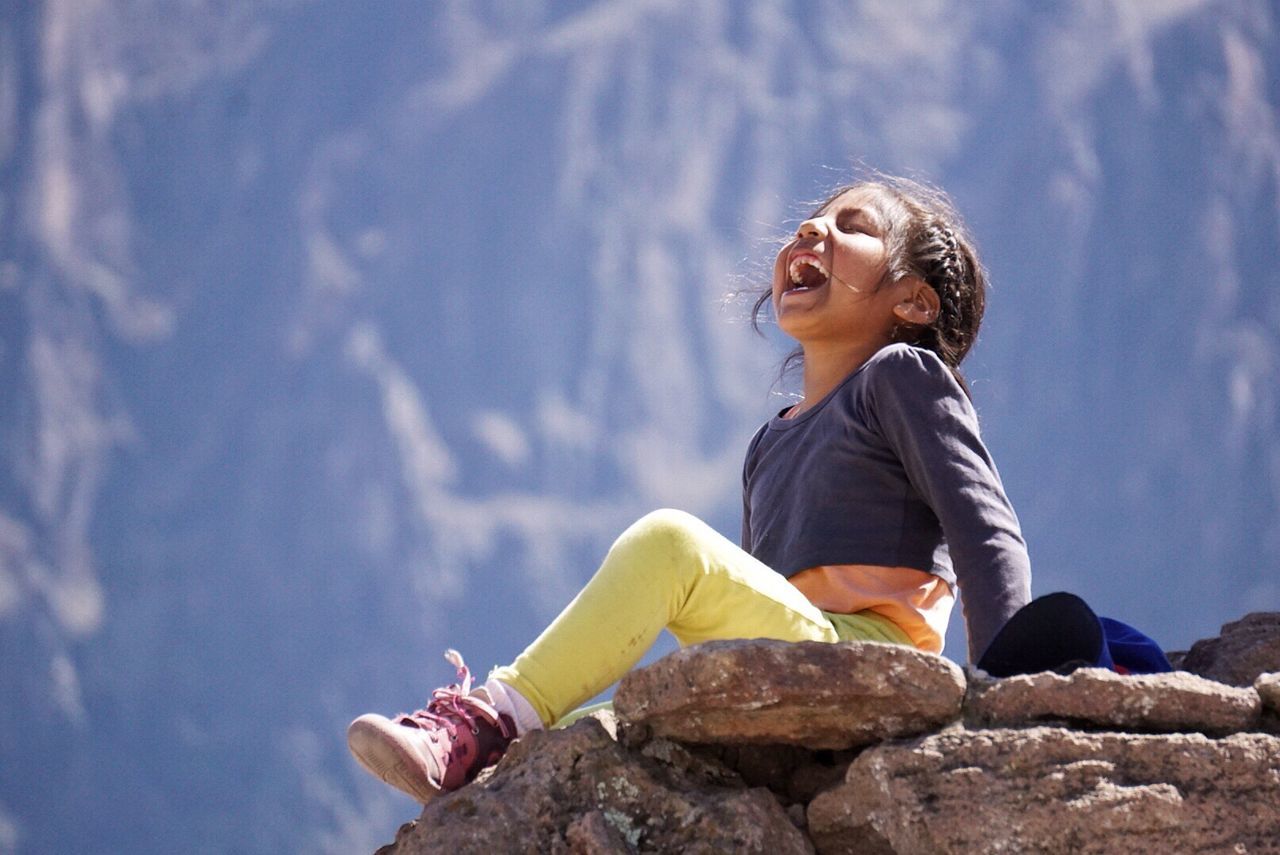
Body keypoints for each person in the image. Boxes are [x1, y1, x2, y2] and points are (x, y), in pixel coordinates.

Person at [346, 175, 1032, 804]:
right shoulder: (771, 443)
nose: (811, 232)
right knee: (584, 732)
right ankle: (496, 764)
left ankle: (486, 720)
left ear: (912, 299)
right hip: (794, 666)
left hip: (871, 664)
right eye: (811, 222)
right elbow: (750, 603)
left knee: (670, 544)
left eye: (854, 227)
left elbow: (987, 528)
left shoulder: (902, 376)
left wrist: (1007, 689)